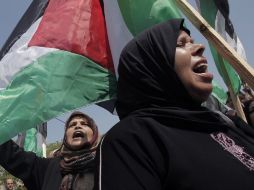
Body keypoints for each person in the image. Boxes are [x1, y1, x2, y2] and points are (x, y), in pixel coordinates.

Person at [95, 19, 254, 190]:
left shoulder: (226, 123)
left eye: (191, 41)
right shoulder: (133, 138)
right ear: (154, 65)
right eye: (181, 44)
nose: (200, 47)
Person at [0, 111, 100, 190]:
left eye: (84, 124)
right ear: (65, 137)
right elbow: (12, 155)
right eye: (72, 125)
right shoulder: (48, 168)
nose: (78, 126)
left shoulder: (105, 165)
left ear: (94, 133)